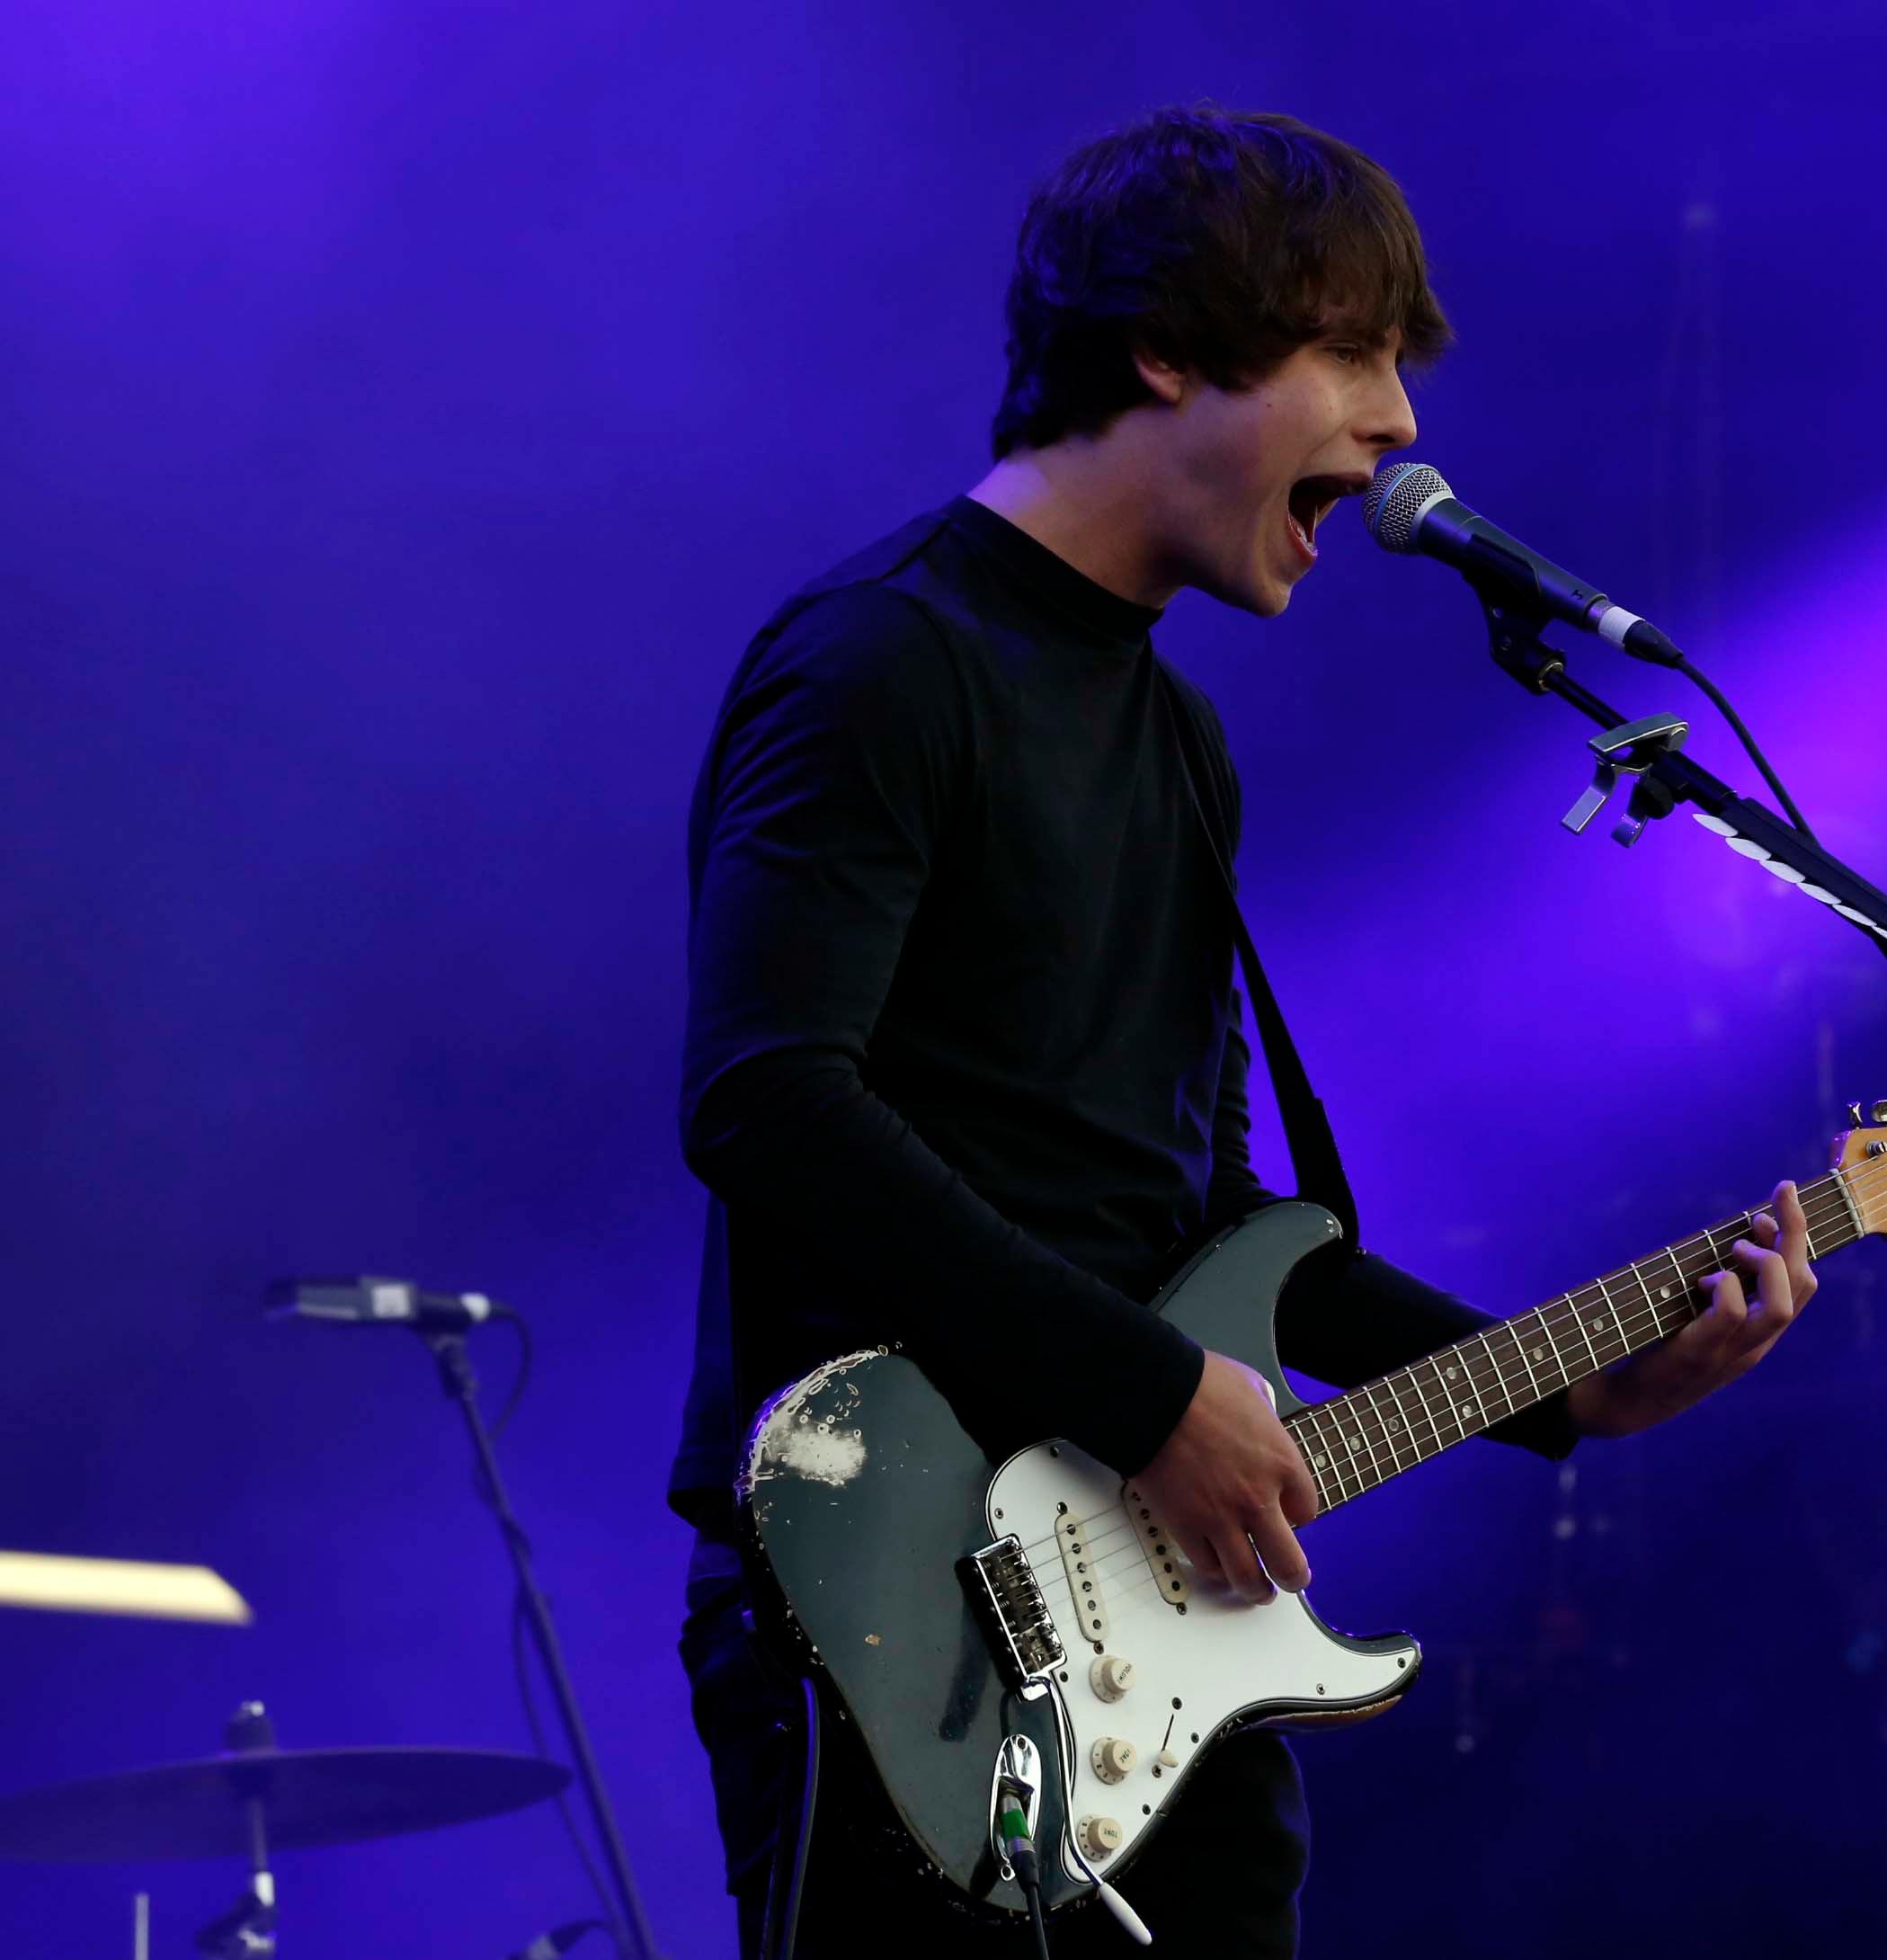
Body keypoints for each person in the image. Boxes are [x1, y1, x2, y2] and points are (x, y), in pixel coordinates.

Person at [667, 104, 1819, 1956]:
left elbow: (1212, 1223)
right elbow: (765, 1099)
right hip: (897, 1605)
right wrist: (1142, 1395)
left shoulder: (1178, 739)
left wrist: (1572, 1388)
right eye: (1352, 352)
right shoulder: (882, 660)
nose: (1400, 425)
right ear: (1167, 349)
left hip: (1154, 1628)